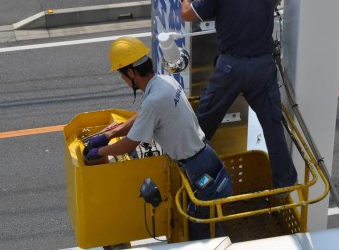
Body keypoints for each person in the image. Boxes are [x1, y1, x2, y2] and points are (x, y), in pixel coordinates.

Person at [179, 0, 297, 189]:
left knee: (202, 126)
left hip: (230, 69)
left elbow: (187, 15)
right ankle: (284, 186)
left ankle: (189, 179)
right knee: (272, 127)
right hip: (263, 69)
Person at [82, 36, 233, 240]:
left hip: (196, 167)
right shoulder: (163, 81)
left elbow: (129, 145)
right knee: (203, 220)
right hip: (204, 155)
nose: (124, 81)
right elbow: (143, 116)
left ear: (131, 72)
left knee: (201, 228)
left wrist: (98, 152)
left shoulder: (154, 99)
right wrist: (110, 134)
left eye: (122, 76)